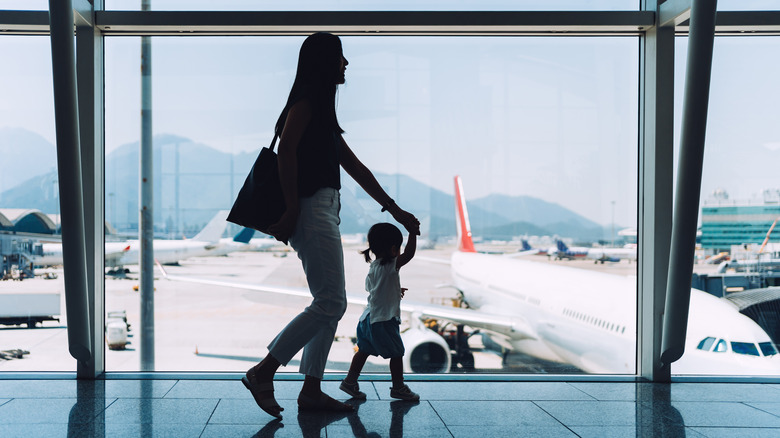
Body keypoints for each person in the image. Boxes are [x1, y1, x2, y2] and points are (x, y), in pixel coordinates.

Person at [241, 32, 420, 419]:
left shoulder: (320, 111)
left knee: (329, 303)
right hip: (310, 208)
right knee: (331, 302)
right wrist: (290, 209)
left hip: (321, 208)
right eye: (340, 57)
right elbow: (286, 150)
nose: (346, 63)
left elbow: (356, 168)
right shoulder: (306, 103)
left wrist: (395, 210)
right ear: (324, 62)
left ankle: (311, 391)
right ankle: (263, 372)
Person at [339, 222, 420, 402]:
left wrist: (394, 288)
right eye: (398, 247)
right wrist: (412, 233)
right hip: (384, 319)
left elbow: (373, 289)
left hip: (367, 319)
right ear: (393, 249)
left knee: (363, 350)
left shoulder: (374, 266)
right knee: (397, 353)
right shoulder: (392, 264)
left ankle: (349, 381)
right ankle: (398, 387)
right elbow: (410, 254)